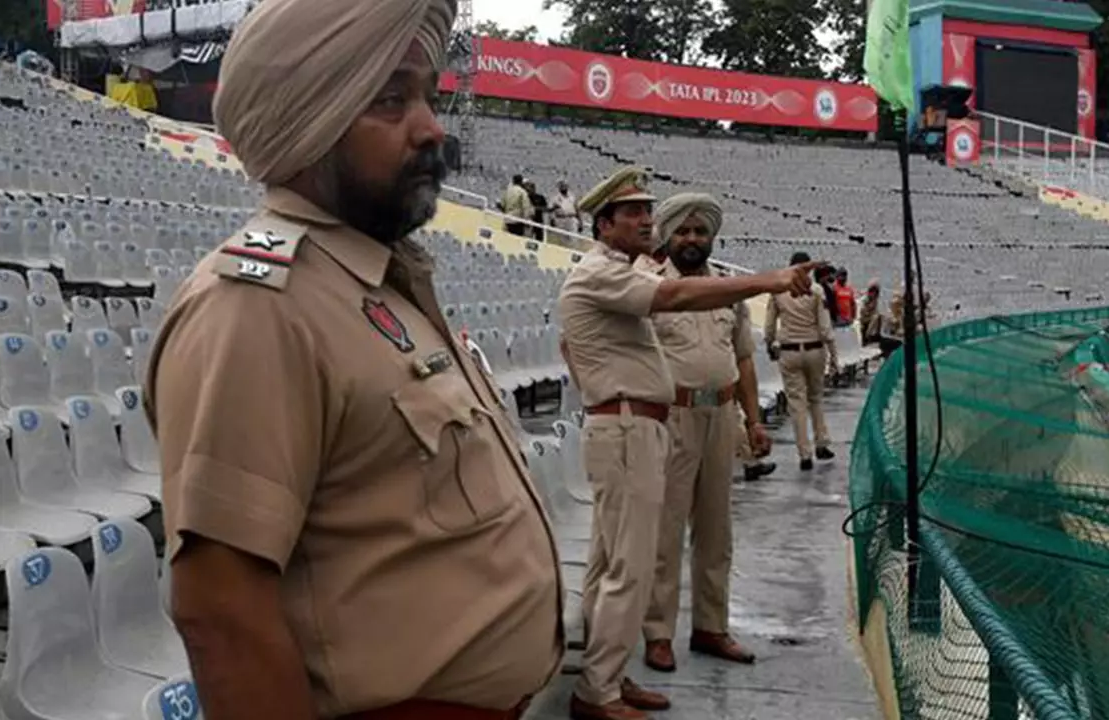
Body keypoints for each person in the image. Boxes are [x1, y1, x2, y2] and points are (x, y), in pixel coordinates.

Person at [143, 2, 564, 718]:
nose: (432, 127)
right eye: (390, 100)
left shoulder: (377, 281)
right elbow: (223, 614)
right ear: (310, 118)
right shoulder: (258, 307)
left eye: (427, 96)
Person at [557, 167, 820, 720]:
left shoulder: (615, 271)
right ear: (604, 224)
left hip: (651, 422)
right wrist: (769, 279)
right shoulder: (606, 274)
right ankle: (599, 690)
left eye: (650, 210)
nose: (647, 220)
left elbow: (737, 353)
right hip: (633, 426)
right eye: (634, 213)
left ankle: (611, 672)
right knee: (632, 560)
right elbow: (671, 296)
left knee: (620, 557)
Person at [632, 193, 771, 676]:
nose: (692, 239)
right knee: (665, 531)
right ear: (667, 237)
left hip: (722, 416)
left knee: (717, 530)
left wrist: (754, 421)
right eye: (683, 232)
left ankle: (711, 626)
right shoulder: (647, 288)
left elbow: (745, 359)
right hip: (671, 418)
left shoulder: (728, 292)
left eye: (700, 232)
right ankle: (658, 633)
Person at [764, 251, 839, 472]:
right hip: (815, 349)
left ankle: (804, 453)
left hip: (789, 351)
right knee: (816, 398)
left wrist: (770, 345)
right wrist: (834, 357)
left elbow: (769, 327)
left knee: (796, 404)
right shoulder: (816, 292)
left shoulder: (778, 292)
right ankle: (822, 442)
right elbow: (825, 329)